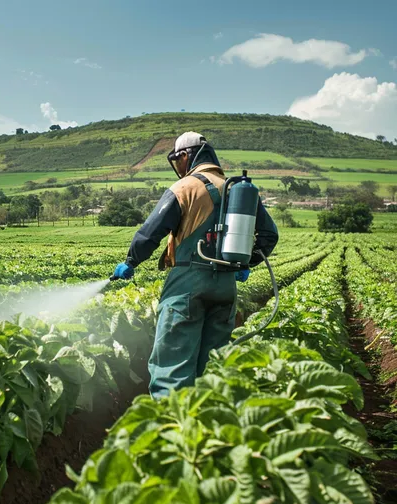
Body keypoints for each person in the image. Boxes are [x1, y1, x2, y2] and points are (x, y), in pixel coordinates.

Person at [112, 132, 279, 399]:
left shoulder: (185, 187)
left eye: (179, 159)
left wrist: (131, 261)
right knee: (212, 369)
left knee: (172, 366)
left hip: (187, 284)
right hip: (225, 286)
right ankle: (208, 430)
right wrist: (245, 263)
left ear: (187, 156)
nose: (179, 166)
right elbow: (269, 235)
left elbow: (150, 232)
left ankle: (171, 431)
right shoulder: (236, 189)